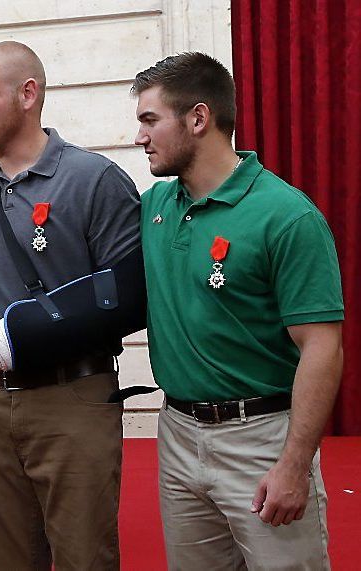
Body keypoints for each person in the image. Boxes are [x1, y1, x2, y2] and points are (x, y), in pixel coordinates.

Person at [133, 52, 343, 570]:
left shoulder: (287, 216)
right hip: (177, 433)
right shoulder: (155, 206)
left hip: (262, 439)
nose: (139, 136)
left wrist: (294, 465)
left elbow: (322, 346)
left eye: (149, 120)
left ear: (198, 119)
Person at [0, 41, 141, 570]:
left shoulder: (94, 180)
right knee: (5, 560)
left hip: (71, 399)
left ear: (29, 94)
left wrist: (23, 339)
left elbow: (128, 299)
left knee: (85, 559)